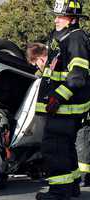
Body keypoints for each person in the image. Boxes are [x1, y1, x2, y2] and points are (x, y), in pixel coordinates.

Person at [33, 0, 90, 200]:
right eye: (56, 15)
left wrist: (58, 96)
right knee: (64, 148)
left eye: (61, 16)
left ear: (72, 19)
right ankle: (72, 186)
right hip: (63, 111)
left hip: (65, 109)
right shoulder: (64, 40)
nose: (56, 20)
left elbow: (78, 75)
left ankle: (60, 192)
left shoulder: (75, 39)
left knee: (54, 148)